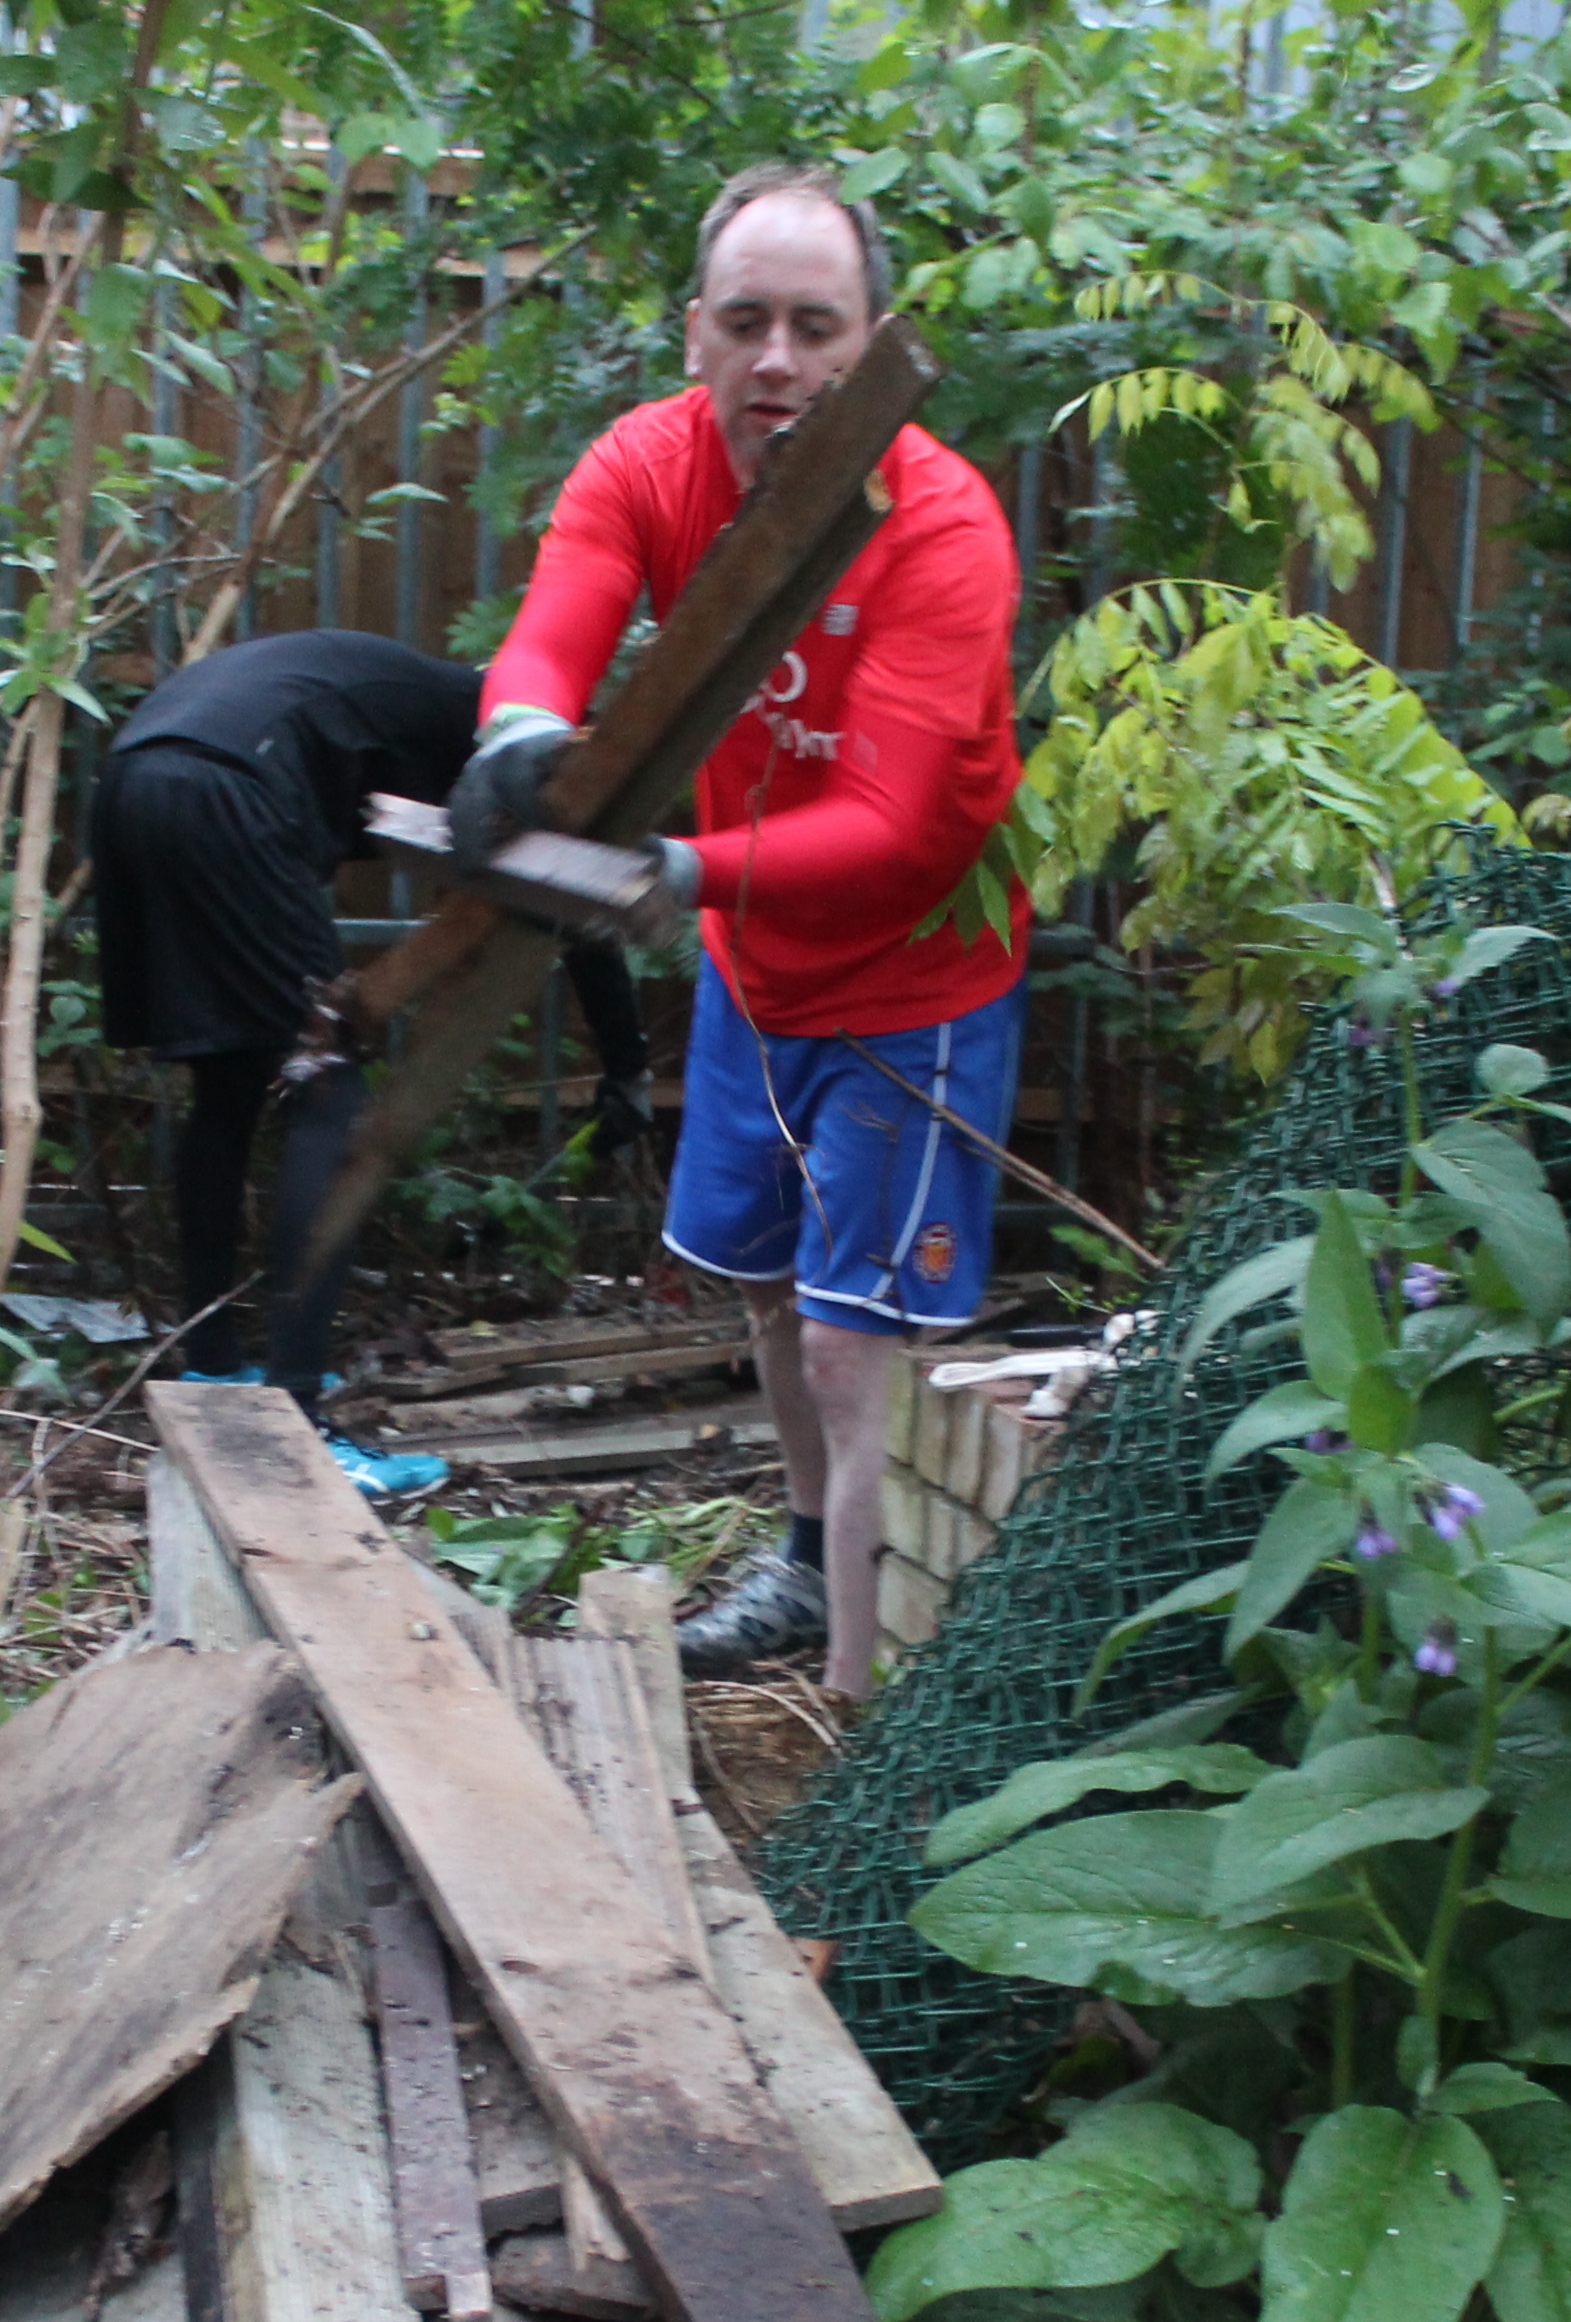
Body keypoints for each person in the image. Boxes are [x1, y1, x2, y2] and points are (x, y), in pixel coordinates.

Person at [456, 162, 1027, 1691]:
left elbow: (902, 828)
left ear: (870, 342)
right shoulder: (651, 463)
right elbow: (562, 615)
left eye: (817, 328)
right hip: (754, 974)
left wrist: (683, 869)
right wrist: (518, 735)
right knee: (768, 1289)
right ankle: (801, 1564)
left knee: (855, 1343)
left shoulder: (940, 527)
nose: (781, 360)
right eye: (749, 321)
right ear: (693, 332)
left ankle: (859, 1691)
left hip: (917, 988)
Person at [92, 627, 651, 1501]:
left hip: (133, 779)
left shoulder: (422, 703)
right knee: (334, 1100)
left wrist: (624, 1061)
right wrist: (628, 1065)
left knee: (231, 1082)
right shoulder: (508, 738)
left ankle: (215, 1370)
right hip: (229, 784)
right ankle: (300, 1421)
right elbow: (571, 900)